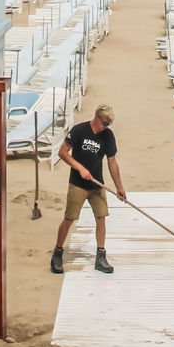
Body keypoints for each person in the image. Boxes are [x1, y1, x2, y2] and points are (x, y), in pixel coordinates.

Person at [50, 103, 125, 274]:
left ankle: (101, 255)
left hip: (97, 185)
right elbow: (62, 152)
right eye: (105, 123)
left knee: (101, 218)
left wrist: (119, 187)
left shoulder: (108, 136)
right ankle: (57, 253)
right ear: (97, 119)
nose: (107, 127)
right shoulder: (79, 131)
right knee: (69, 218)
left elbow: (112, 161)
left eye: (109, 125)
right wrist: (80, 168)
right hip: (78, 184)